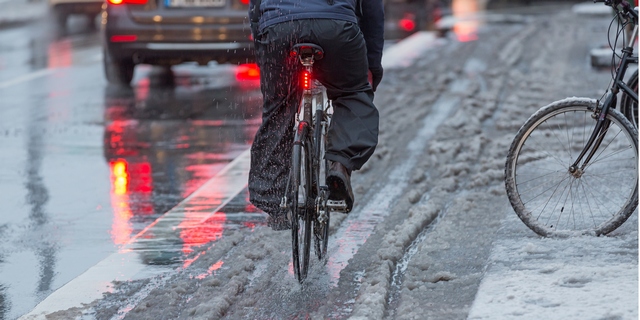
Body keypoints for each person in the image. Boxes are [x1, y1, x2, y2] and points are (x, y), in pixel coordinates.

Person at [248, 0, 384, 230]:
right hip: (337, 28)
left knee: (279, 108)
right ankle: (339, 165)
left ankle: (274, 199)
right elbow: (372, 12)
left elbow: (255, 9)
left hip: (280, 27)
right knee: (352, 94)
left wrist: (266, 50)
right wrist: (373, 66)